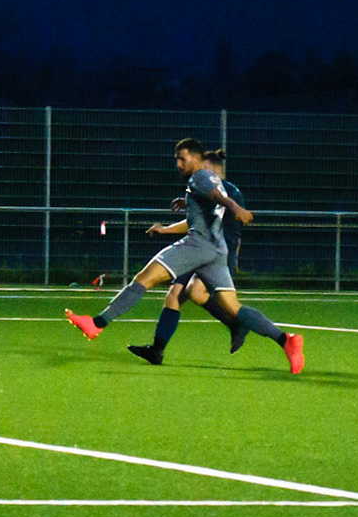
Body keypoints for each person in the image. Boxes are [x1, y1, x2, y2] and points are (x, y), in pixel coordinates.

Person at [66, 138, 303, 374]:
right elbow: (210, 202)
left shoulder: (199, 177)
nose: (178, 164)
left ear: (197, 158)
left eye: (182, 158)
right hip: (216, 249)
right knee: (232, 308)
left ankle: (97, 323)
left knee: (145, 277)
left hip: (197, 245)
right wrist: (190, 202)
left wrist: (235, 208)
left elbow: (219, 199)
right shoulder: (211, 179)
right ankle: (286, 340)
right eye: (176, 159)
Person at [126, 147, 247, 365]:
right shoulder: (210, 189)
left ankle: (242, 325)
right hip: (199, 249)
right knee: (175, 295)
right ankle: (157, 350)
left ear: (213, 169)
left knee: (197, 292)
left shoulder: (225, 192)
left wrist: (167, 228)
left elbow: (209, 226)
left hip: (213, 253)